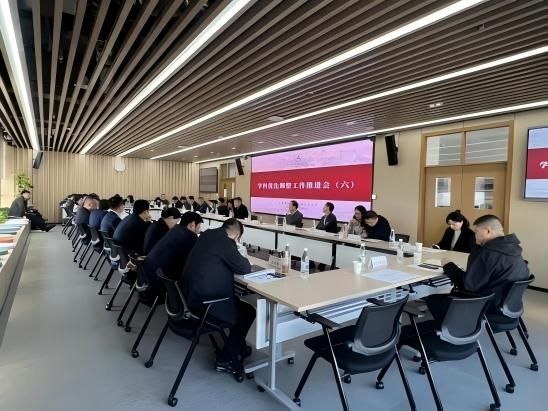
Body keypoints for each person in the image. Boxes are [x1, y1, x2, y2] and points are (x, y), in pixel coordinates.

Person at [426, 215, 530, 325]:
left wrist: (448, 266)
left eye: (476, 231)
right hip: (506, 306)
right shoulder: (514, 250)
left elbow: (468, 286)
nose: (474, 235)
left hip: (485, 305)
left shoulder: (488, 253)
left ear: (488, 231)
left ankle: (455, 329)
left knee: (434, 300)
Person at [181, 218, 254, 372]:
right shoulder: (225, 242)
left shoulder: (208, 234)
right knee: (247, 312)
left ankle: (239, 347)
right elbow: (245, 268)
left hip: (188, 296)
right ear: (236, 236)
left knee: (239, 304)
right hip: (204, 304)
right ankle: (226, 359)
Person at [144, 212, 203, 286]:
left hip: (148, 274)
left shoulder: (174, 230)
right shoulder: (190, 237)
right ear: (192, 224)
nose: (198, 231)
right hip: (160, 281)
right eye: (198, 227)